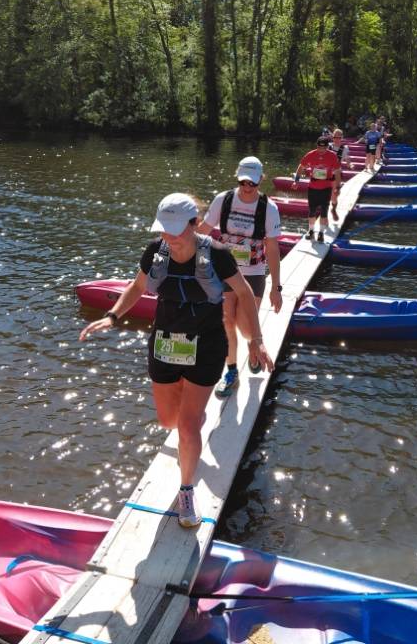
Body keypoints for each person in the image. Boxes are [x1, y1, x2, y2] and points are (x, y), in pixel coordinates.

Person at [79, 193, 273, 526]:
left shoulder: (218, 255)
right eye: (164, 229)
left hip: (207, 345)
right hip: (165, 344)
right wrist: (112, 316)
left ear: (194, 224)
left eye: (175, 230)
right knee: (169, 420)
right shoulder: (156, 253)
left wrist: (255, 340)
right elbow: (138, 287)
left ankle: (186, 491)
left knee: (186, 424)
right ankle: (190, 423)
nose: (169, 236)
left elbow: (243, 293)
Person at [197, 156, 283, 399]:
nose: (247, 188)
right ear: (238, 178)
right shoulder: (223, 200)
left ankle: (253, 344)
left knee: (246, 327)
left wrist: (276, 287)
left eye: (253, 184)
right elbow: (204, 231)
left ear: (260, 181)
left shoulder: (269, 208)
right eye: (243, 182)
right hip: (224, 270)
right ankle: (231, 371)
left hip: (253, 273)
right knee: (226, 322)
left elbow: (273, 248)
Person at [292, 135, 342, 242]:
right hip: (313, 188)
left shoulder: (332, 156)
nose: (321, 150)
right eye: (319, 148)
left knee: (324, 212)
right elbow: (301, 167)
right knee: (312, 212)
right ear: (317, 146)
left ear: (327, 147)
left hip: (326, 188)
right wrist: (296, 181)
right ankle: (311, 231)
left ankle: (321, 233)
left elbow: (337, 172)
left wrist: (337, 187)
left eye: (323, 148)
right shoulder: (311, 155)